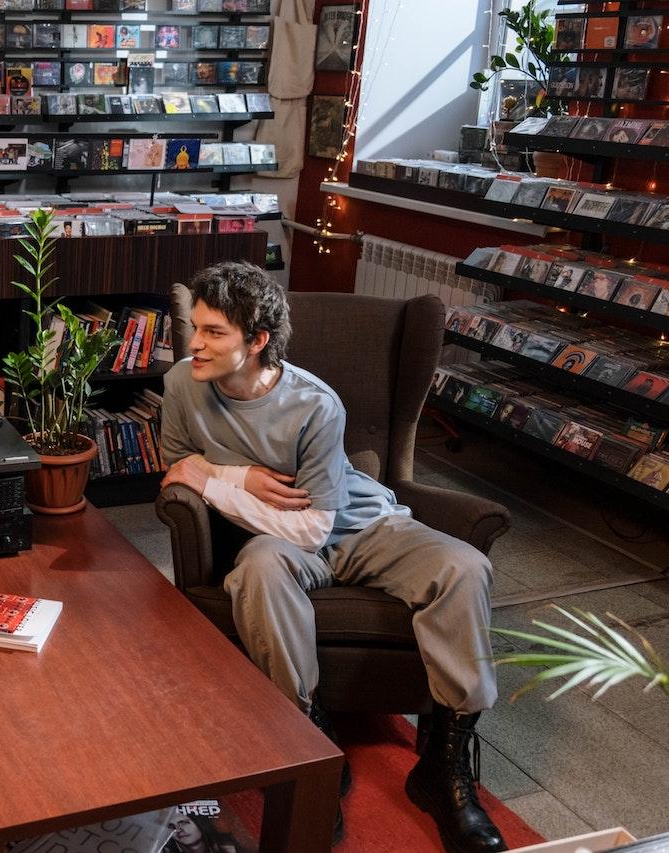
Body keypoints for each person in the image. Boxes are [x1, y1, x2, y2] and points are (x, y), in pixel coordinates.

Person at [159, 261, 505, 853]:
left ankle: (445, 765)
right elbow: (177, 471)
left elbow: (316, 526)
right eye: (196, 327)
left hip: (361, 525)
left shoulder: (316, 404)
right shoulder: (180, 387)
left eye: (213, 332)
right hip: (276, 541)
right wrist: (233, 472)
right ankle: (312, 743)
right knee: (261, 569)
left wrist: (213, 480)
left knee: (465, 567)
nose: (195, 343)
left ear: (258, 340)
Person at [162, 812, 242, 853]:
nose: (178, 830)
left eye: (183, 823)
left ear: (199, 824)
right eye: (171, 827)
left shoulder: (227, 847)